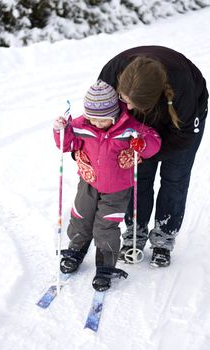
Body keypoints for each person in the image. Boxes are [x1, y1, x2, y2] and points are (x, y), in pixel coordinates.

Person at [98, 46, 209, 267]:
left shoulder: (181, 89)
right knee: (138, 176)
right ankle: (134, 232)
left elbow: (184, 135)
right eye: (123, 99)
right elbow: (98, 117)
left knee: (175, 177)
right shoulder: (111, 74)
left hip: (180, 125)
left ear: (152, 101)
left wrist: (149, 153)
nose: (125, 105)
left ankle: (164, 237)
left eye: (131, 103)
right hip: (137, 125)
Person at [53, 80, 161, 291]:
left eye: (102, 120)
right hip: (88, 183)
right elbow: (66, 144)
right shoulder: (82, 125)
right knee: (80, 217)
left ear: (113, 114)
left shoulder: (130, 128)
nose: (96, 123)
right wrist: (61, 130)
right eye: (91, 118)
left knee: (106, 226)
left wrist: (142, 143)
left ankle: (105, 265)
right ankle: (76, 250)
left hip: (117, 189)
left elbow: (153, 142)